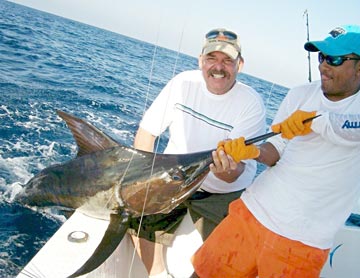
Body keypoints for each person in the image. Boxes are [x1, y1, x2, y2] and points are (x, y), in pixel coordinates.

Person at [192, 24, 360, 277]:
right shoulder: (300, 94)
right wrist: (252, 152)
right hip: (253, 211)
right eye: (322, 57)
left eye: (335, 59)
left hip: (303, 242)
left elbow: (349, 128)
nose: (324, 66)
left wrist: (319, 120)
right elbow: (276, 150)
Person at [128, 28, 266, 278]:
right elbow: (147, 133)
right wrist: (143, 178)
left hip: (222, 190)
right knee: (135, 213)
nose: (218, 67)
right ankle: (156, 273)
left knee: (226, 260)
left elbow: (233, 174)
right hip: (175, 177)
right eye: (212, 58)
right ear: (200, 60)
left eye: (227, 60)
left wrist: (226, 171)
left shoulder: (250, 103)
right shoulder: (182, 83)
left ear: (240, 65)